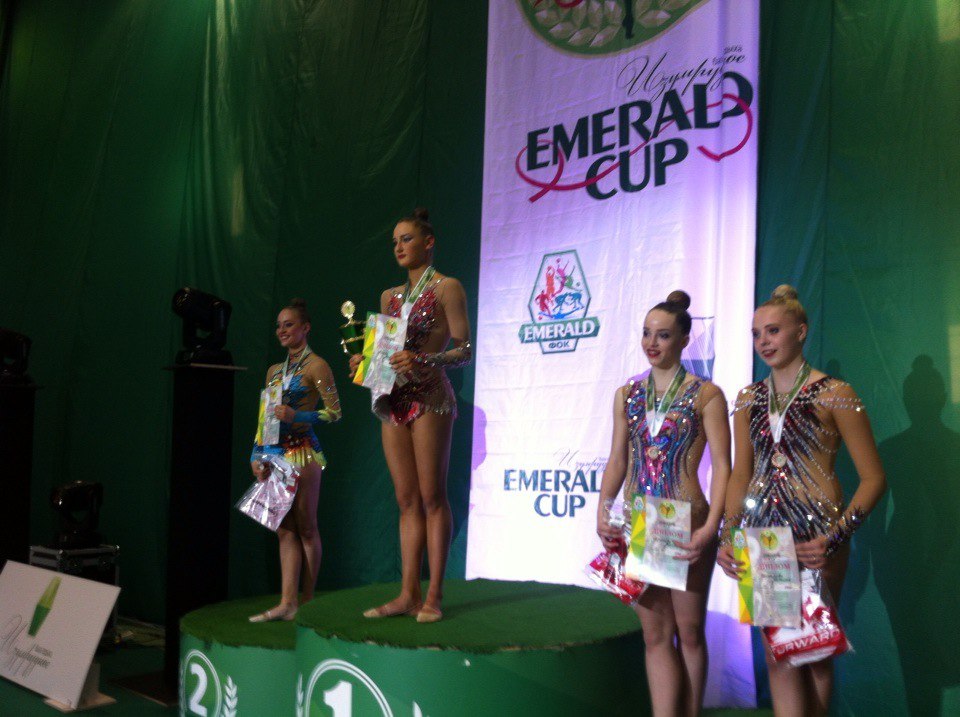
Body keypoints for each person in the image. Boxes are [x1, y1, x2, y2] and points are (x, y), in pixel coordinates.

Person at [717, 285, 886, 716]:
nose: (764, 341)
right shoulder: (748, 399)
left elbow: (874, 478)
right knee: (778, 652)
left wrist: (837, 536)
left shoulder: (836, 392)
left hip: (818, 539)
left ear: (801, 332)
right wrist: (728, 534)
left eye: (773, 330)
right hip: (763, 538)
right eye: (756, 333)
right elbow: (740, 474)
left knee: (813, 652)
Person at [597, 290, 731, 717]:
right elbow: (618, 459)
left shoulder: (707, 394)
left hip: (688, 522)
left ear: (684, 340)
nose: (651, 343)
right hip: (641, 523)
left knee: (689, 633)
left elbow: (723, 467)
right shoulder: (627, 394)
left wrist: (711, 528)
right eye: (646, 333)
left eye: (663, 335)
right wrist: (603, 510)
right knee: (655, 636)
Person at [349, 207, 471, 623]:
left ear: (428, 242)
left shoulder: (447, 287)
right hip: (394, 399)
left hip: (431, 396)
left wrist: (425, 359)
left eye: (407, 239)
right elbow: (383, 354)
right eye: (395, 242)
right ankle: (407, 594)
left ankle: (434, 595)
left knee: (432, 496)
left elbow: (464, 350)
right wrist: (365, 363)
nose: (399, 247)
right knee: (406, 500)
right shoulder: (389, 297)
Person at [248, 299, 341, 622]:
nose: (282, 330)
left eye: (288, 324)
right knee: (284, 528)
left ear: (305, 328)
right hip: (276, 454)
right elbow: (265, 418)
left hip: (304, 452)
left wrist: (297, 415)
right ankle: (287, 602)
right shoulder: (274, 371)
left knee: (306, 526)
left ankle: (308, 600)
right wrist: (256, 454)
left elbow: (334, 413)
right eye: (279, 326)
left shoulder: (317, 366)